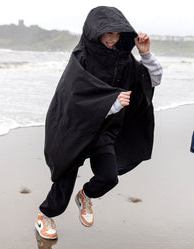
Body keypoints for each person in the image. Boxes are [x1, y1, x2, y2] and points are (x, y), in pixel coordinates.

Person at [35, 6, 162, 240]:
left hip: (104, 132)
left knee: (108, 178)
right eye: (109, 34)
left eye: (118, 34)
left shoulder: (123, 59)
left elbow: (151, 81)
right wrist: (112, 103)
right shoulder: (81, 58)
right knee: (63, 186)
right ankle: (45, 215)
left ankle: (85, 196)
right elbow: (74, 98)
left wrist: (145, 54)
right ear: (95, 32)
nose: (113, 40)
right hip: (75, 130)